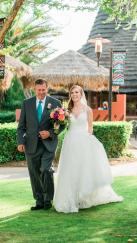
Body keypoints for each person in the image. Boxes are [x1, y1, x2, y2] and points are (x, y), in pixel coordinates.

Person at [53, 85, 123, 213]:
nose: (74, 94)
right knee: (70, 170)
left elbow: (90, 129)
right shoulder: (67, 110)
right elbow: (59, 126)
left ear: (81, 94)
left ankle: (82, 197)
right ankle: (70, 198)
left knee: (83, 169)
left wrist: (87, 142)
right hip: (70, 142)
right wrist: (58, 119)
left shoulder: (88, 110)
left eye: (77, 92)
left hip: (83, 141)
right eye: (72, 92)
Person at [17, 79, 64, 211]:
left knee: (45, 169)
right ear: (35, 89)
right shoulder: (26, 104)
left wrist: (49, 133)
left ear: (46, 89)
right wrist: (20, 142)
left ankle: (48, 199)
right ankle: (39, 201)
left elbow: (61, 124)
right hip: (31, 145)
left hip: (48, 144)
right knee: (34, 173)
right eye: (39, 90)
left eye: (44, 90)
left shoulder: (55, 103)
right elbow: (21, 127)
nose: (41, 92)